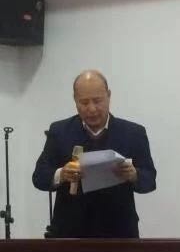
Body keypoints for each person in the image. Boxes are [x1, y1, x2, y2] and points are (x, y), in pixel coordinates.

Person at [33, 70, 156, 238]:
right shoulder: (59, 131)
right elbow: (39, 177)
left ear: (109, 96)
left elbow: (150, 180)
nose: (91, 109)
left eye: (97, 101)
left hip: (119, 233)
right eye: (84, 102)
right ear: (75, 100)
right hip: (69, 233)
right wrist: (61, 174)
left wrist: (134, 175)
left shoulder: (133, 133)